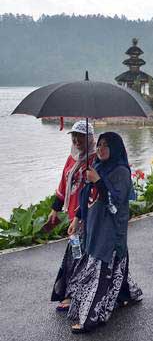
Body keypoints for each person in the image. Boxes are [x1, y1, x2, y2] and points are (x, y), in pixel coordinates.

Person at [67, 132, 142, 333]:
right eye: (98, 145)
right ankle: (125, 295)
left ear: (115, 148)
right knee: (115, 268)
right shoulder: (97, 167)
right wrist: (77, 218)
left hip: (110, 230)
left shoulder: (121, 172)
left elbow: (115, 204)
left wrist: (99, 181)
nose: (100, 149)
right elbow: (86, 197)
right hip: (94, 226)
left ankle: (91, 318)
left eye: (105, 146)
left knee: (99, 272)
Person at [48, 120, 97, 312]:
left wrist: (80, 216)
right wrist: (55, 209)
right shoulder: (72, 158)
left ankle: (75, 294)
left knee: (82, 254)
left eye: (81, 136)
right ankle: (76, 292)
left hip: (88, 215)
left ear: (90, 138)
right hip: (73, 216)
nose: (76, 140)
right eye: (74, 136)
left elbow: (95, 190)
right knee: (76, 252)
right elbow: (63, 184)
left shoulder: (95, 159)